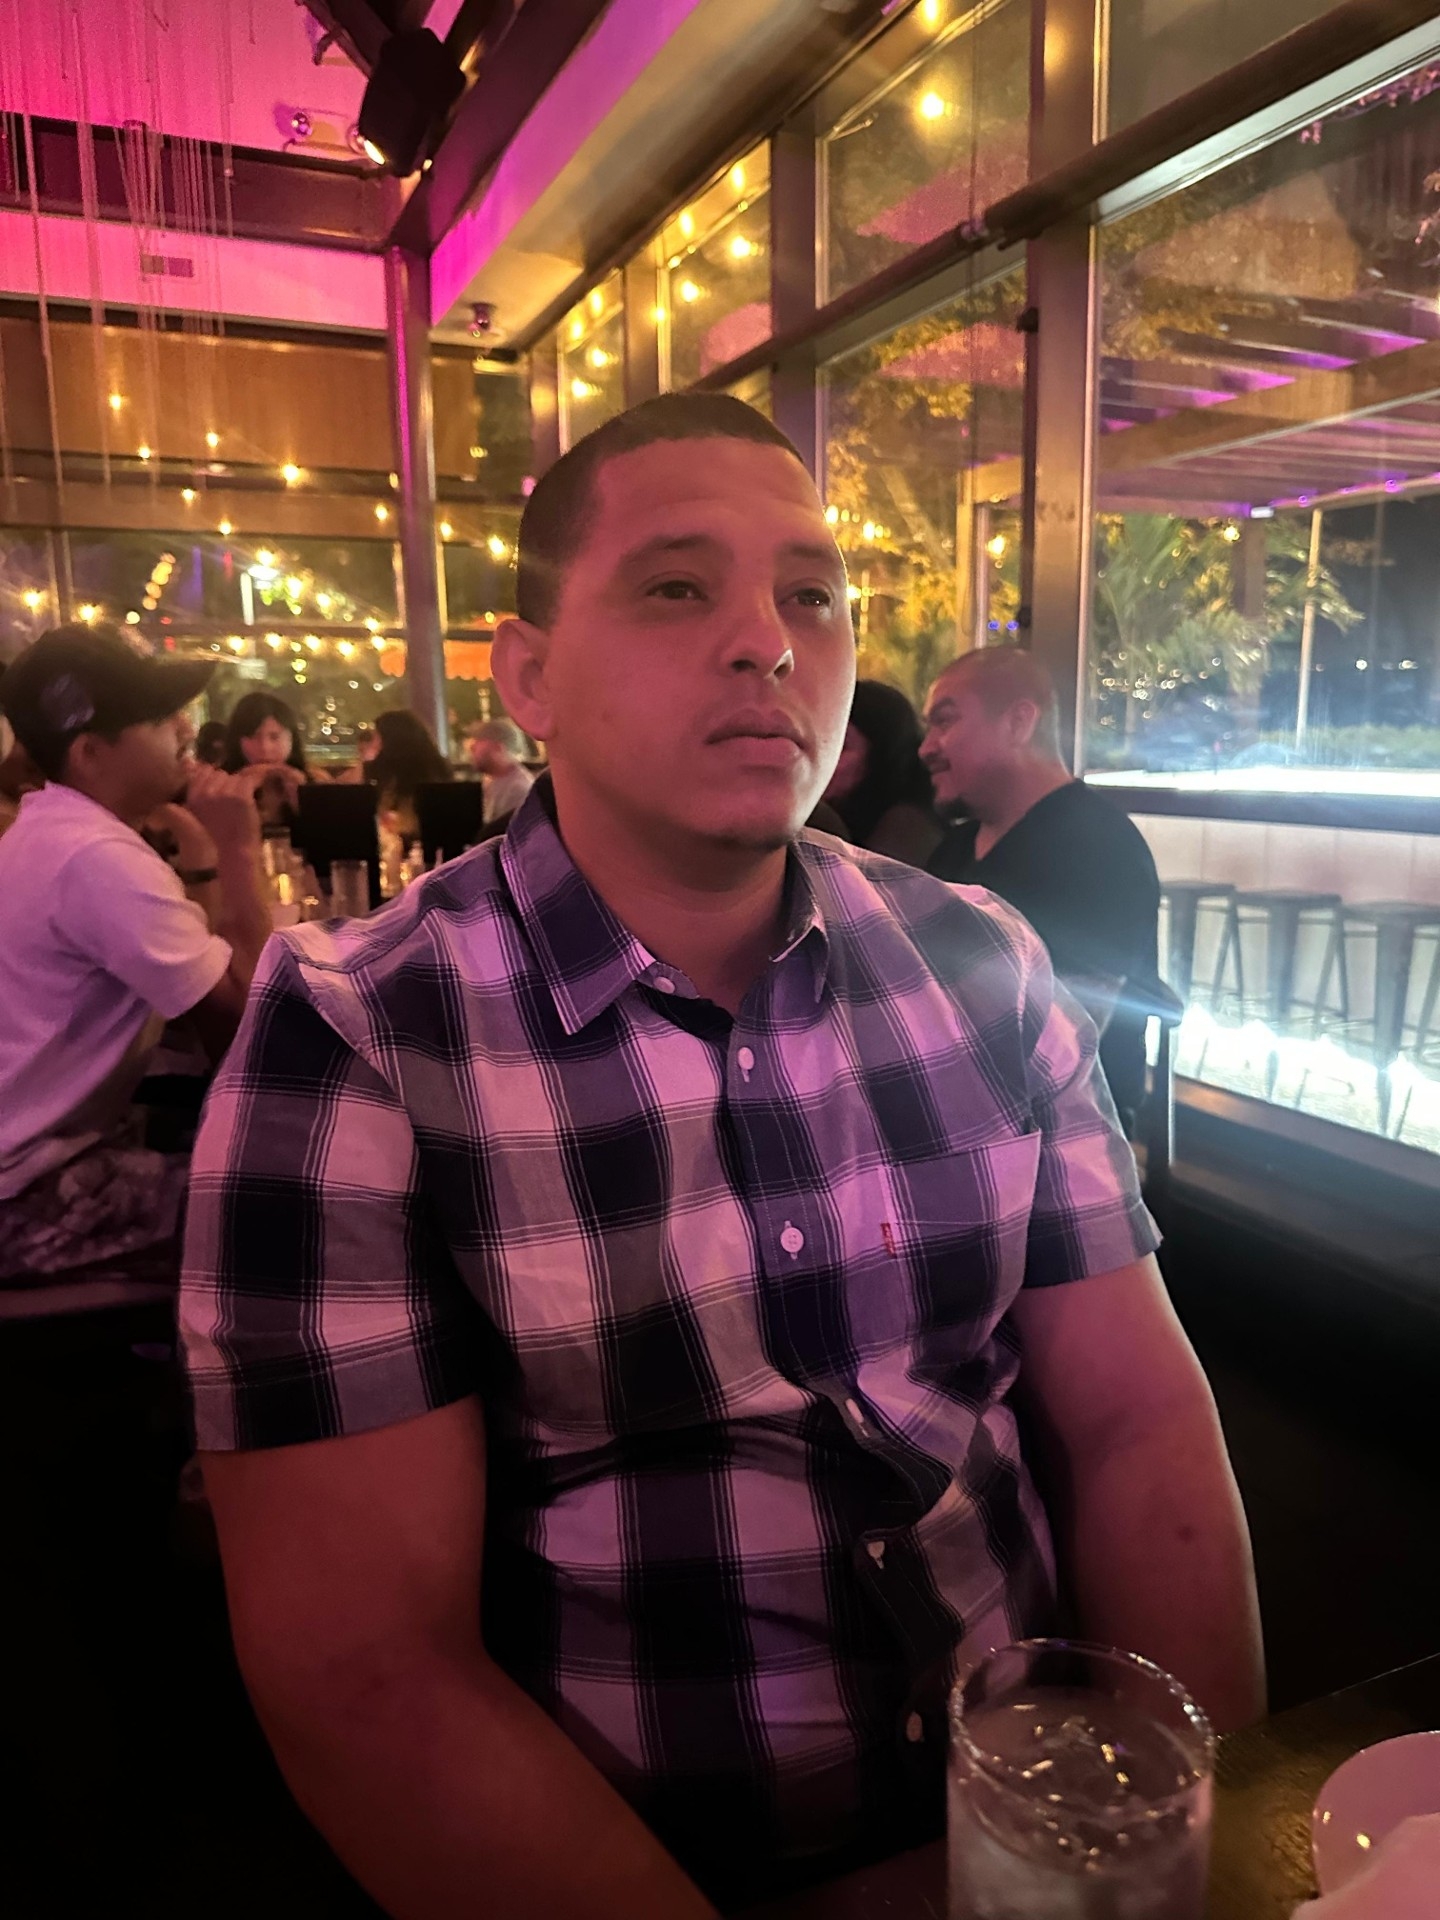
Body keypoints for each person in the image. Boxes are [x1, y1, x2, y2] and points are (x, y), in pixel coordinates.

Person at [181, 395, 1262, 1919]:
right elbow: (364, 1672)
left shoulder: (984, 960)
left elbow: (1139, 1421)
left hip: (1034, 1818)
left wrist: (1166, 1849)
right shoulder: (361, 1031)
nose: (768, 643)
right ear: (530, 676)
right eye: (678, 586)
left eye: (812, 596)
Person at [0, 624, 271, 1278]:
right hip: (23, 1200)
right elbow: (259, 1024)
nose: (185, 728)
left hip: (36, 1159)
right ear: (90, 751)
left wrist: (206, 857)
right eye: (158, 717)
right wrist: (238, 849)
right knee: (296, 1192)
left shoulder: (52, 830)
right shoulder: (94, 856)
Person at [921, 647, 1162, 1129]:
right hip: (948, 1103)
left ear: (1018, 723)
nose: (926, 748)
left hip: (1062, 1131)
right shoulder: (955, 848)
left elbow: (1071, 1041)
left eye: (944, 722)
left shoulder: (1099, 848)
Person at [820, 678, 942, 866]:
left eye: (842, 746)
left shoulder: (905, 831)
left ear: (883, 755)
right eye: (820, 741)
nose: (823, 757)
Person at [221, 689, 326, 830]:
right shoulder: (218, 785)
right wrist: (240, 789)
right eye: (253, 736)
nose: (265, 747)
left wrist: (303, 800)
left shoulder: (316, 781)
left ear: (292, 739)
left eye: (275, 737)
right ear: (237, 740)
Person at [363, 707, 451, 842]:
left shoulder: (393, 779)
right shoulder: (434, 768)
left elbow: (407, 826)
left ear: (389, 740)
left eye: (376, 738)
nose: (373, 743)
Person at [465, 715, 534, 822]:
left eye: (478, 742)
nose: (472, 748)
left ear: (498, 748)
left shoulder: (518, 790)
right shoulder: (490, 779)